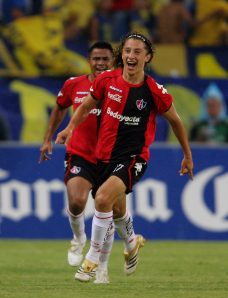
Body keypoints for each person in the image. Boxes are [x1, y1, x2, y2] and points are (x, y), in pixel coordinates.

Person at [55, 32, 194, 282]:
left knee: (102, 199)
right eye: (127, 51)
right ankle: (131, 243)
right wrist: (69, 128)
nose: (131, 56)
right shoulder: (107, 80)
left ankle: (92, 260)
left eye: (137, 51)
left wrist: (187, 155)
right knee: (117, 212)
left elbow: (176, 121)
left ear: (147, 57)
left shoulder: (154, 90)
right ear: (122, 54)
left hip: (133, 157)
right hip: (104, 157)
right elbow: (86, 106)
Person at [39, 41, 115, 284]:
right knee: (77, 201)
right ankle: (78, 238)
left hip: (110, 156)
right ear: (89, 60)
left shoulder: (120, 86)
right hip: (80, 153)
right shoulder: (74, 84)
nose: (101, 63)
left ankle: (102, 266)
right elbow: (59, 108)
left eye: (105, 59)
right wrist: (48, 138)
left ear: (112, 61)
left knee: (111, 213)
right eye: (96, 59)